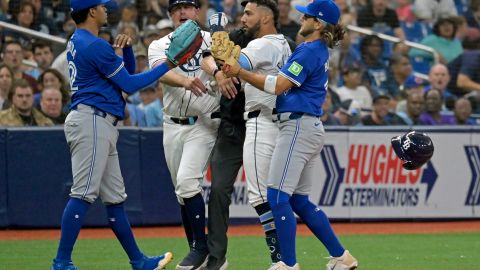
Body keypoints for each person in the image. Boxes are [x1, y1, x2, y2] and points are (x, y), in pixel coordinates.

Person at [50, 0, 196, 268]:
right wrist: (170, 63)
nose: (107, 9)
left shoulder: (82, 41)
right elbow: (131, 84)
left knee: (115, 198)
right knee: (83, 193)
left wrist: (127, 53)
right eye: (103, 6)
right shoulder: (93, 45)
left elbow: (125, 81)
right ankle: (61, 262)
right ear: (92, 11)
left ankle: (138, 261)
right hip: (92, 120)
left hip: (98, 120)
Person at [216, 0, 358, 269]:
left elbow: (278, 85)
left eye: (306, 17)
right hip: (308, 126)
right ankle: (341, 257)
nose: (300, 19)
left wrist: (240, 72)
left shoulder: (309, 51)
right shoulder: (313, 49)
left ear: (318, 23)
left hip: (297, 126)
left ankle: (288, 264)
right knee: (299, 202)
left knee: (278, 197)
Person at [148, 0, 221, 269]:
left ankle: (200, 249)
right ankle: (199, 251)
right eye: (177, 8)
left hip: (203, 124)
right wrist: (186, 80)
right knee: (182, 192)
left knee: (187, 182)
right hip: (172, 124)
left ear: (197, 12)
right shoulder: (159, 44)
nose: (182, 12)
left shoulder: (212, 40)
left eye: (188, 6)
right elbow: (160, 73)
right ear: (169, 14)